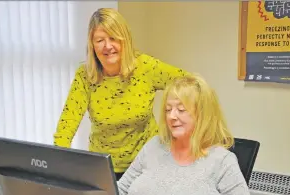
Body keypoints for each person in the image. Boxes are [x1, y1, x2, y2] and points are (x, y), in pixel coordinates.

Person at [53, 8, 190, 180]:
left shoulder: (146, 67)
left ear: (124, 39)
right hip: (103, 168)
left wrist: (174, 112)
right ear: (92, 45)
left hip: (148, 163)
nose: (107, 46)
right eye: (100, 40)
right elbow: (67, 125)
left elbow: (189, 83)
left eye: (113, 38)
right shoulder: (85, 76)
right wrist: (57, 168)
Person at [117, 74, 250, 195]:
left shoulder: (222, 161)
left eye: (181, 110)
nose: (171, 116)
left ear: (202, 114)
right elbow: (120, 189)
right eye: (168, 109)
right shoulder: (154, 145)